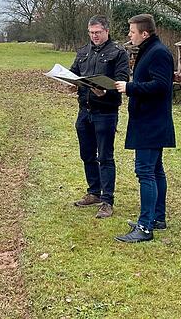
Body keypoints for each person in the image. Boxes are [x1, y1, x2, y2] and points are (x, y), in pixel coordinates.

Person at [113, 14, 175, 242]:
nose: (129, 35)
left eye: (132, 31)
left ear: (145, 33)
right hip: (149, 121)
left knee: (145, 172)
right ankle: (157, 218)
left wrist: (130, 87)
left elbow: (161, 86)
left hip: (152, 122)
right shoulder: (151, 49)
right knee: (156, 170)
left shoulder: (158, 52)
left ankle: (145, 227)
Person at [69, 15, 130, 219]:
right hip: (84, 110)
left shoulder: (118, 52)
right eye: (91, 33)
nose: (94, 36)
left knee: (105, 156)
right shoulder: (83, 51)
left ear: (106, 31)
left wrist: (107, 92)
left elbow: (121, 80)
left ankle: (107, 200)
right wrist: (70, 82)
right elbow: (74, 73)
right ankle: (93, 192)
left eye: (98, 32)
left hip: (105, 112)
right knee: (87, 154)